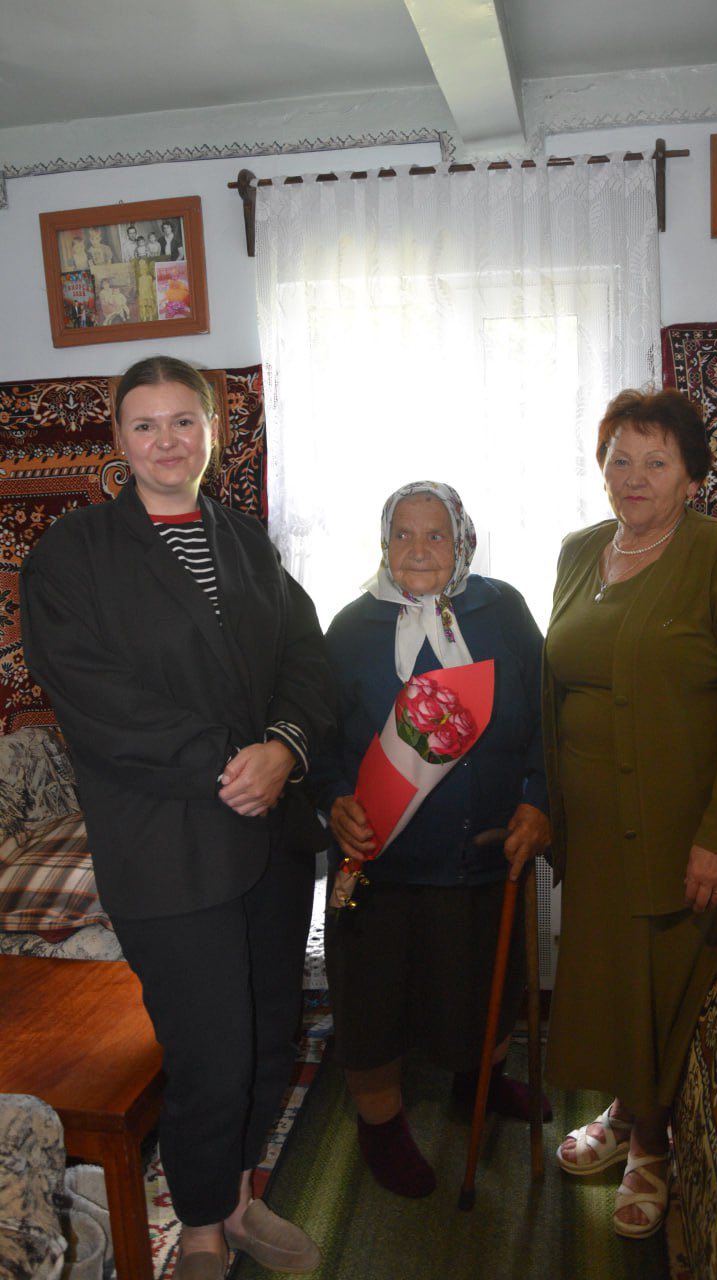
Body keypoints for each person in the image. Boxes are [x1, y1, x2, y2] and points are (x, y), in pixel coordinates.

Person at [20, 356, 334, 1280]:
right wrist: (227, 765)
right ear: (118, 439)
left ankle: (237, 1200)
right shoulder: (72, 554)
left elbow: (305, 659)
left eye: (183, 422)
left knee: (270, 1034)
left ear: (212, 432)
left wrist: (284, 748)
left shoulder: (244, 540)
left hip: (270, 836)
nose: (167, 442)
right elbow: (94, 697)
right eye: (146, 425)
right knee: (209, 1049)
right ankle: (199, 1229)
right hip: (168, 844)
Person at [543, 389, 717, 1239]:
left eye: (656, 461)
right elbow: (554, 682)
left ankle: (652, 1145)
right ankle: (626, 1110)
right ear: (601, 468)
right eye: (620, 458)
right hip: (594, 827)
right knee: (613, 979)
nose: (634, 476)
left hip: (687, 823)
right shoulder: (579, 551)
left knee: (661, 982)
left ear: (691, 476)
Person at [312, 480, 551, 1199]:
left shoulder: (502, 609)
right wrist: (334, 800)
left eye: (435, 535)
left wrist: (537, 800)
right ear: (383, 543)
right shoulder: (351, 626)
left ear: (462, 541)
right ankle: (380, 1125)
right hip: (380, 861)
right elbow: (319, 737)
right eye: (403, 535)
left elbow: (548, 714)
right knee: (374, 996)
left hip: (485, 851)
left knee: (486, 980)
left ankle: (481, 1085)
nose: (418, 550)